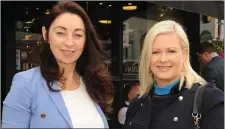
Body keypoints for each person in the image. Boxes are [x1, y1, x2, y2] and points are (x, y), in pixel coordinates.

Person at [2, 1, 114, 128]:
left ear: (85, 40)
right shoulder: (26, 84)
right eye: (60, 33)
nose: (69, 42)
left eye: (77, 35)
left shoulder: (91, 83)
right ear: (46, 34)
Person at [124, 20, 224, 129]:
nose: (163, 59)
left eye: (171, 51)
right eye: (155, 52)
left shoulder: (209, 100)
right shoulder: (137, 104)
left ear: (184, 54)